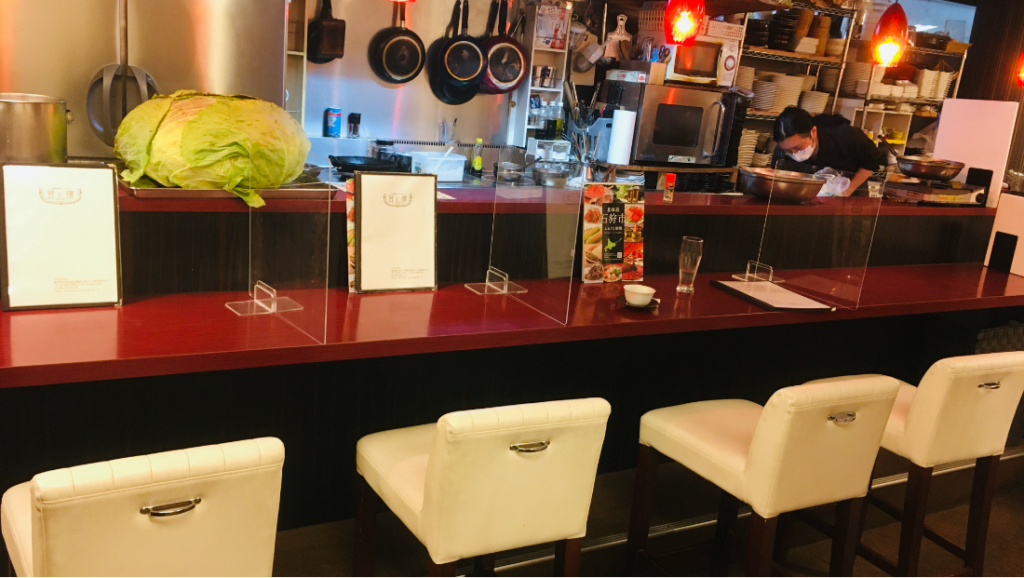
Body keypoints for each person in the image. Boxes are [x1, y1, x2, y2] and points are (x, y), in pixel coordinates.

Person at [771, 106, 887, 193]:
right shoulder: (781, 153)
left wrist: (847, 191)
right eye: (787, 150)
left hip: (849, 202)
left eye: (797, 147)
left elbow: (870, 162)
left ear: (813, 132)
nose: (793, 153)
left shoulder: (846, 136)